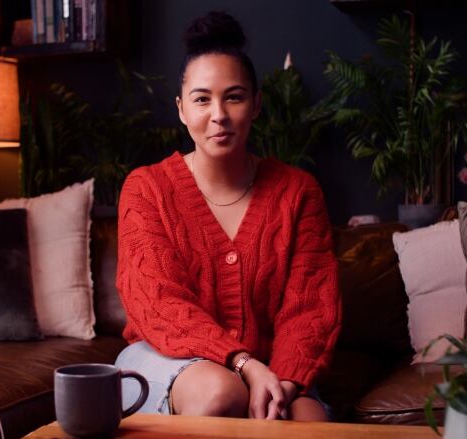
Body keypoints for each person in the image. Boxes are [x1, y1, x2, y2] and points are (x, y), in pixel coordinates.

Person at [114, 11, 341, 422]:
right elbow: (159, 304)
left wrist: (282, 384)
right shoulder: (146, 189)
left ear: (256, 105)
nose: (218, 114)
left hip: (272, 365)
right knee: (221, 394)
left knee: (310, 422)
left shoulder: (297, 191)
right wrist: (243, 365)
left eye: (233, 97)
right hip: (167, 356)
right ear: (182, 110)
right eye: (202, 99)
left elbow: (310, 309)